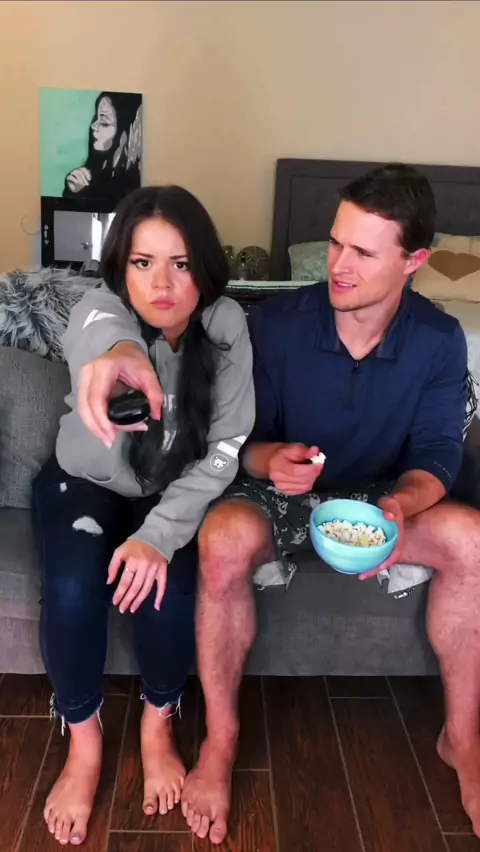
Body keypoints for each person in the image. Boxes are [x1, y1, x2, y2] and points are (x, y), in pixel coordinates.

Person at [73, 163, 480, 845]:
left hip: (381, 497)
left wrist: (401, 505)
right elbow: (238, 439)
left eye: (362, 252)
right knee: (223, 539)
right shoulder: (278, 324)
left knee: (471, 538)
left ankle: (461, 740)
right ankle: (221, 740)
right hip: (277, 493)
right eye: (335, 243)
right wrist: (270, 461)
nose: (338, 266)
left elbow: (440, 450)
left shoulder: (439, 340)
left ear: (414, 261)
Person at [31, 185, 254, 847]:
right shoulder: (99, 308)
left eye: (180, 264)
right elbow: (103, 336)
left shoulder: (227, 327)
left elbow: (226, 448)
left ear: (204, 266)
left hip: (172, 489)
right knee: (72, 589)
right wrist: (122, 357)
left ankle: (159, 719)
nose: (161, 284)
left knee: (170, 591)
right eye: (142, 262)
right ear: (120, 267)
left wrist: (158, 537)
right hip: (84, 482)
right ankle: (84, 741)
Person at [63, 91, 142, 202]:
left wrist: (85, 193)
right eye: (96, 117)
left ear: (125, 134)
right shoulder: (93, 172)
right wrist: (72, 191)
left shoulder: (132, 186)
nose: (93, 126)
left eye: (104, 123)